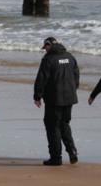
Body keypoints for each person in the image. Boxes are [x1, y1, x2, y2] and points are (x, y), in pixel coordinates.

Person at [34, 37, 79, 166]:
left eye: (45, 47)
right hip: (69, 97)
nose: (45, 50)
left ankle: (56, 157)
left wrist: (37, 96)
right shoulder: (70, 57)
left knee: (52, 126)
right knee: (64, 124)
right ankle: (72, 152)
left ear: (49, 45)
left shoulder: (48, 59)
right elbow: (76, 76)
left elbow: (41, 79)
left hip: (54, 99)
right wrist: (72, 89)